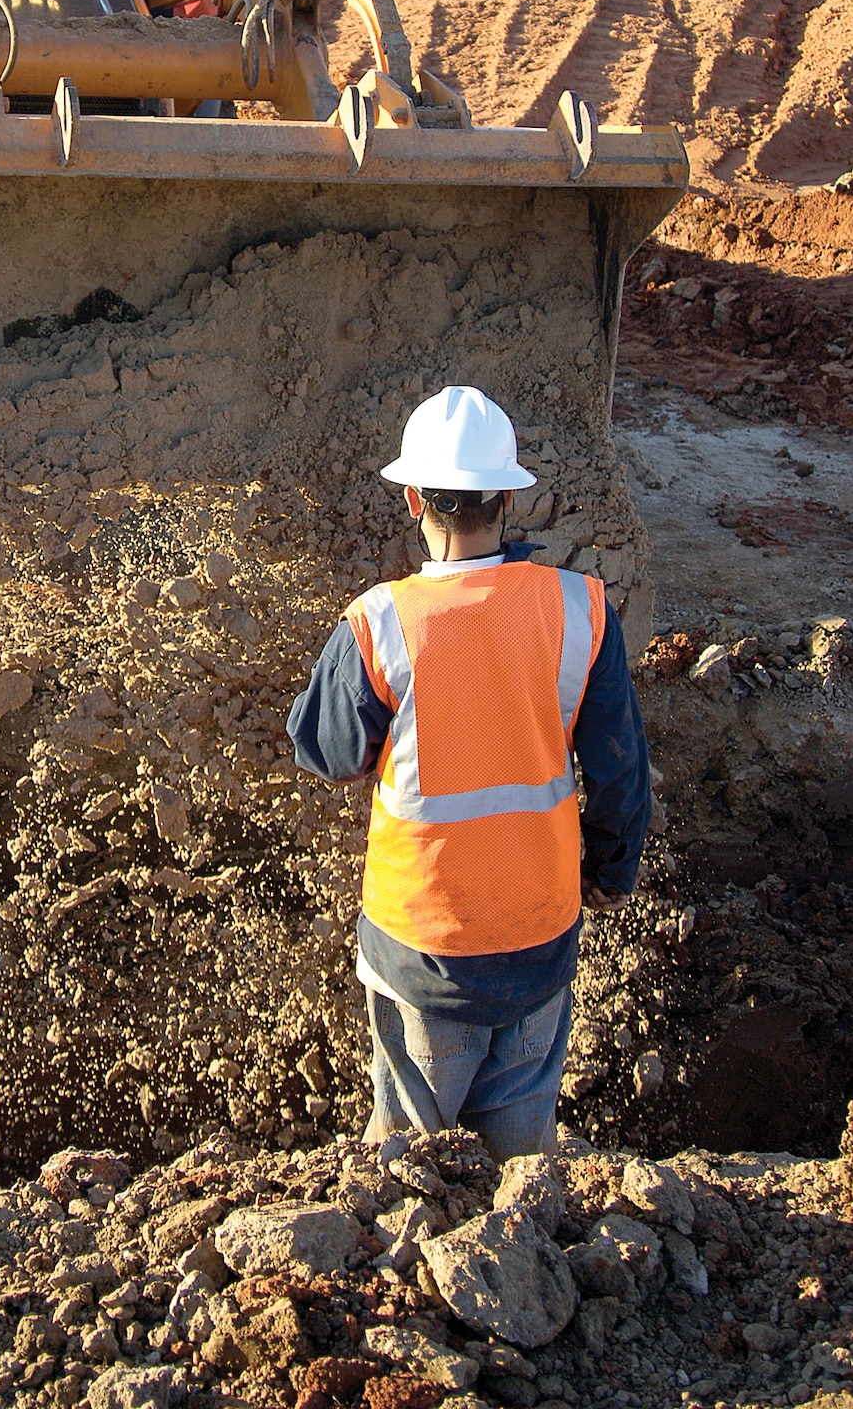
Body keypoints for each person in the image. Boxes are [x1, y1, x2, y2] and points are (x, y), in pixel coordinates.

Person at [286, 385, 650, 1161]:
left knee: (405, 1164)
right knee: (519, 1155)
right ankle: (518, 1252)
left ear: (413, 496)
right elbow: (621, 771)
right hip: (538, 927)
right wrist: (611, 871)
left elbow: (326, 753)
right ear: (506, 498)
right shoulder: (580, 610)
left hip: (423, 938)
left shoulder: (382, 620)